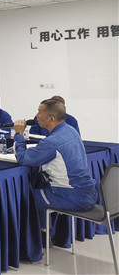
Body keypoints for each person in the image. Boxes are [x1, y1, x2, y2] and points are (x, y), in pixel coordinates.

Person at [13, 99, 96, 237]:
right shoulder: (71, 130)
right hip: (89, 192)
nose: (36, 116)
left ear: (51, 118)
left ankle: (42, 237)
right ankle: (46, 232)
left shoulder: (52, 142)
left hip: (73, 197)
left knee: (28, 196)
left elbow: (22, 158)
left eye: (39, 112)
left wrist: (18, 135)